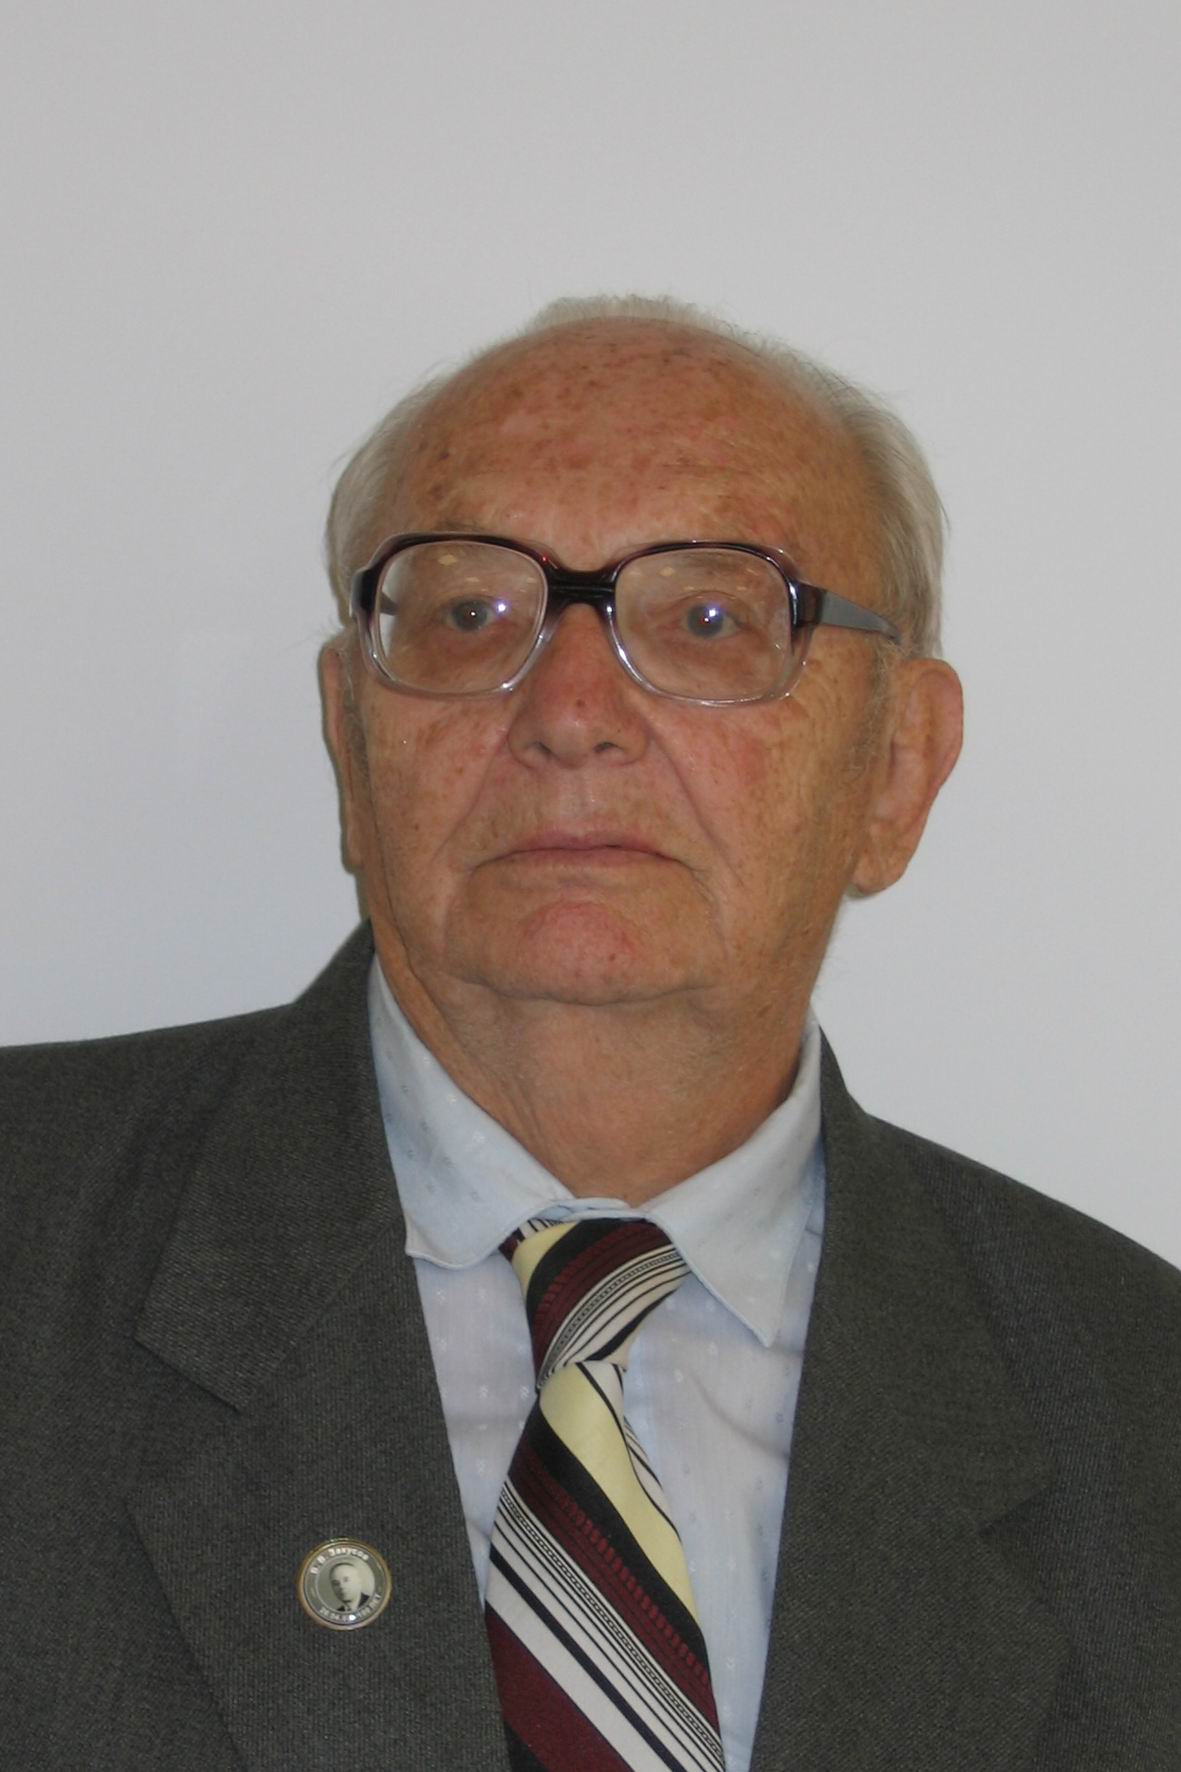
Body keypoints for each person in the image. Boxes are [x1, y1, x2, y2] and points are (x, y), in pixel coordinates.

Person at [1, 295, 1177, 1772]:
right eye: (468, 617)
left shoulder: (1141, 1416)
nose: (567, 710)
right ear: (351, 737)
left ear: (897, 767)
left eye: (708, 620)